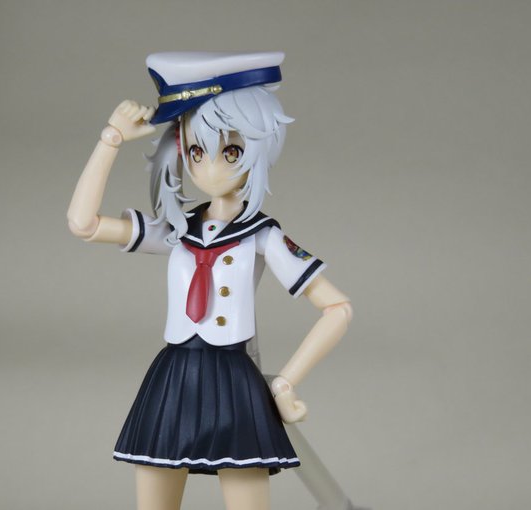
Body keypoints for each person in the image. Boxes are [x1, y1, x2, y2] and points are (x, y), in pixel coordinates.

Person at [67, 52, 352, 510]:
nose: (210, 168)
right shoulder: (177, 229)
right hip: (173, 378)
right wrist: (111, 140)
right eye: (197, 152)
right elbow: (84, 224)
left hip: (234, 379)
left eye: (231, 151)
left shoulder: (262, 235)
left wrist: (286, 383)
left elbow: (337, 308)